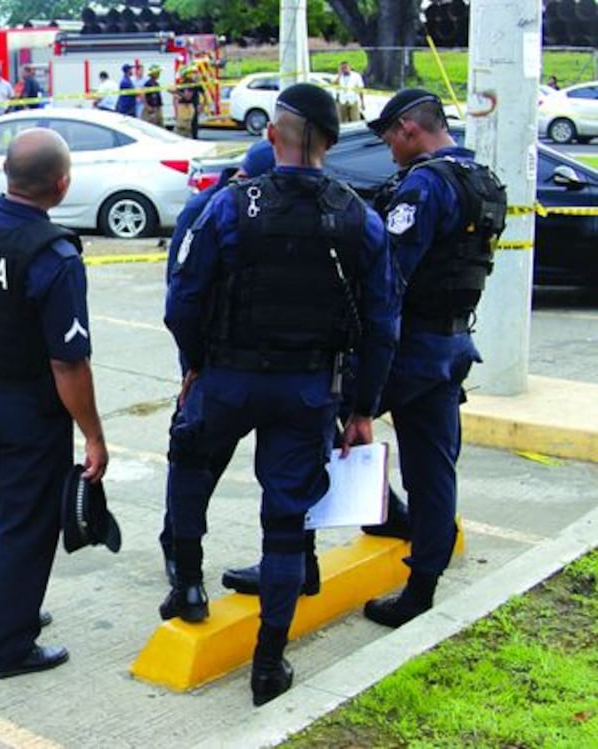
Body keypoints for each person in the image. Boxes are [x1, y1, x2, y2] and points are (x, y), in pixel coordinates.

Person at [163, 83, 399, 705]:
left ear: (273, 136)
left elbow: (184, 297)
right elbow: (382, 323)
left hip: (228, 376)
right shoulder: (358, 215)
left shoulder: (231, 206)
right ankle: (269, 664)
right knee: (287, 521)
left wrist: (194, 366)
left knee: (190, 465)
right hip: (306, 389)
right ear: (330, 141)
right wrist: (362, 408)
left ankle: (187, 586)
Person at [0, 128, 109, 679]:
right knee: (27, 527)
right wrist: (94, 435)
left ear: (8, 175)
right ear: (61, 185)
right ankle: (11, 647)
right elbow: (68, 363)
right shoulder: (53, 256)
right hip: (26, 409)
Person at [356, 89, 507, 627]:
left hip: (409, 346)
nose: (387, 148)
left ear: (408, 129)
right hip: (453, 344)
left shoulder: (423, 185)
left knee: (319, 419)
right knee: (434, 465)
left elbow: (388, 280)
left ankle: (382, 515)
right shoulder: (480, 179)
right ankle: (421, 587)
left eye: (387, 136)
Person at [158, 140, 276, 584]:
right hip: (215, 364)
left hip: (277, 362)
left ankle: (295, 558)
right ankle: (178, 548)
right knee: (200, 459)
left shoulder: (288, 206)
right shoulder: (207, 210)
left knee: (289, 466)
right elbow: (182, 296)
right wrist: (193, 365)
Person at [173, 65, 199, 138]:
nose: (192, 75)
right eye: (191, 73)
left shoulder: (190, 84)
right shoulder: (182, 83)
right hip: (182, 108)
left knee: (184, 128)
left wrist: (176, 92)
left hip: (187, 108)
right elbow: (176, 97)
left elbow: (188, 97)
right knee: (183, 128)